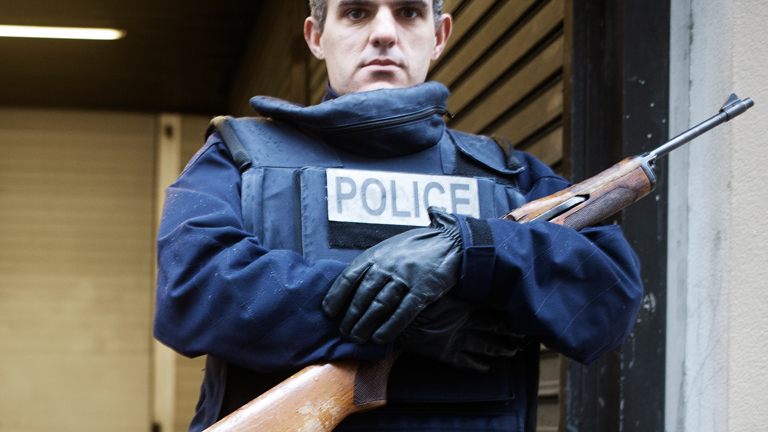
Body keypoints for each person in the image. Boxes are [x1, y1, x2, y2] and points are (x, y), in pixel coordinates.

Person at [154, 0, 644, 431]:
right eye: (356, 12)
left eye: (409, 12)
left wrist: (472, 248)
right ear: (315, 37)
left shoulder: (509, 175)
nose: (384, 32)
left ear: (439, 35)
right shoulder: (240, 156)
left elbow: (611, 300)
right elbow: (193, 290)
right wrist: (411, 319)